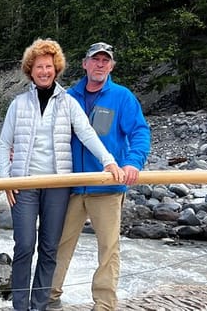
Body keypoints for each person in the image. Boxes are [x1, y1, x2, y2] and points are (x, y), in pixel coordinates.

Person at [0, 38, 124, 311]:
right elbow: (4, 143)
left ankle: (40, 305)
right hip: (23, 185)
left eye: (49, 66)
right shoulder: (18, 104)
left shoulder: (68, 102)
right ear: (30, 70)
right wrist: (4, 179)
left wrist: (108, 161)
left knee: (49, 248)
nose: (44, 71)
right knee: (24, 246)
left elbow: (87, 133)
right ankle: (20, 306)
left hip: (58, 185)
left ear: (56, 69)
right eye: (39, 66)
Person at [48, 42, 151, 311]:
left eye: (106, 60)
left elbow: (140, 132)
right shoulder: (68, 97)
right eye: (96, 60)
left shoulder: (122, 97)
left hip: (107, 186)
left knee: (108, 249)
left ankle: (104, 304)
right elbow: (51, 136)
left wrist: (132, 163)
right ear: (85, 64)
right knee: (59, 245)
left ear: (112, 66)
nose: (100, 64)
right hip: (71, 186)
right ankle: (49, 297)